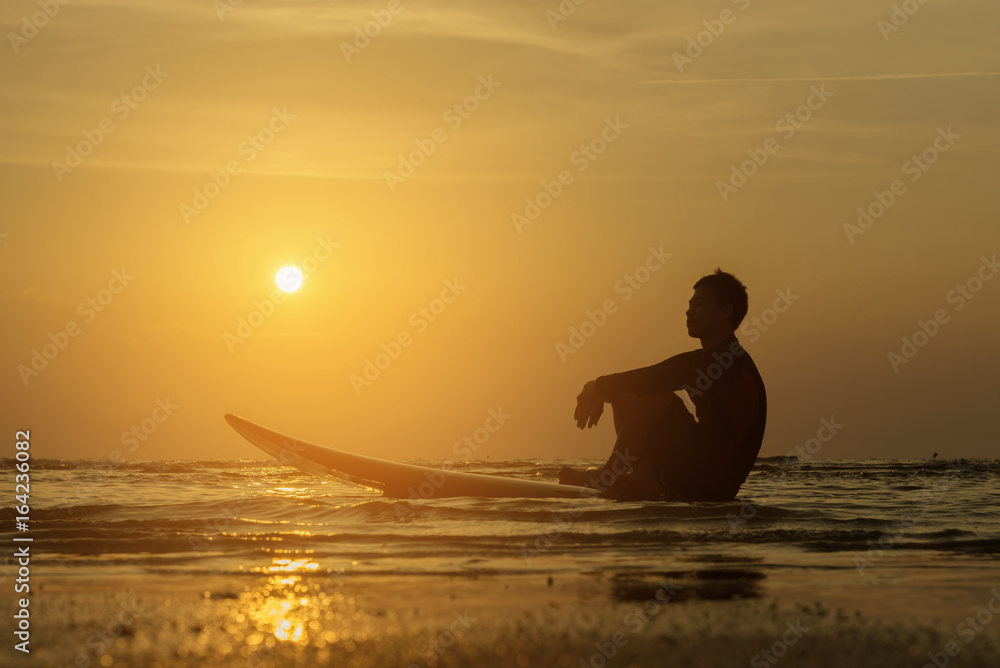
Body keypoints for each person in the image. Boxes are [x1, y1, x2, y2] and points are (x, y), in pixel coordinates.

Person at [560, 269, 766, 501]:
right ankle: (643, 477)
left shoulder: (728, 361)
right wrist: (600, 389)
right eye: (689, 304)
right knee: (627, 389)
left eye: (699, 304)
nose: (689, 311)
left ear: (726, 311)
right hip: (696, 470)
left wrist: (598, 385)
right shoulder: (704, 358)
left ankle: (609, 477)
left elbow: (656, 381)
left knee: (651, 393)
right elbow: (648, 375)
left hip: (713, 483)